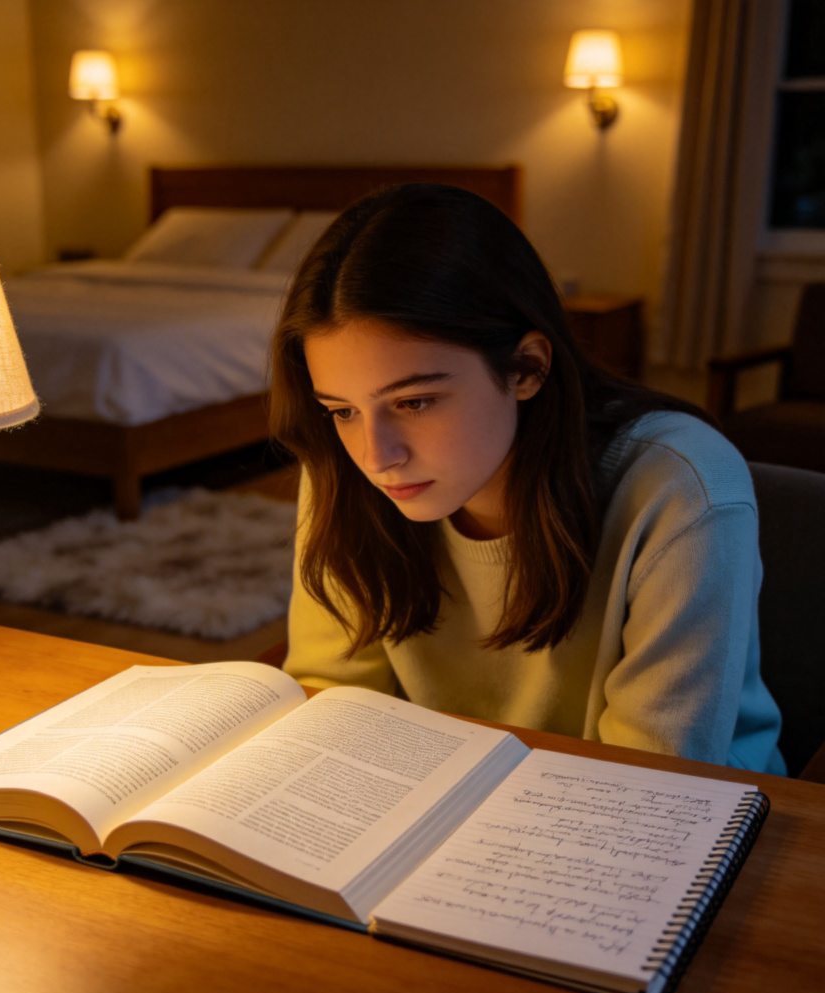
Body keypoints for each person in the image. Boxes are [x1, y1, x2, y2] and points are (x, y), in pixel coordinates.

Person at [269, 182, 785, 775]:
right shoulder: (345, 471)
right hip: (449, 793)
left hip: (691, 818)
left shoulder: (680, 486)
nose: (377, 455)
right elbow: (332, 700)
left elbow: (653, 775)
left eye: (414, 402)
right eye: (342, 410)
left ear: (527, 368)